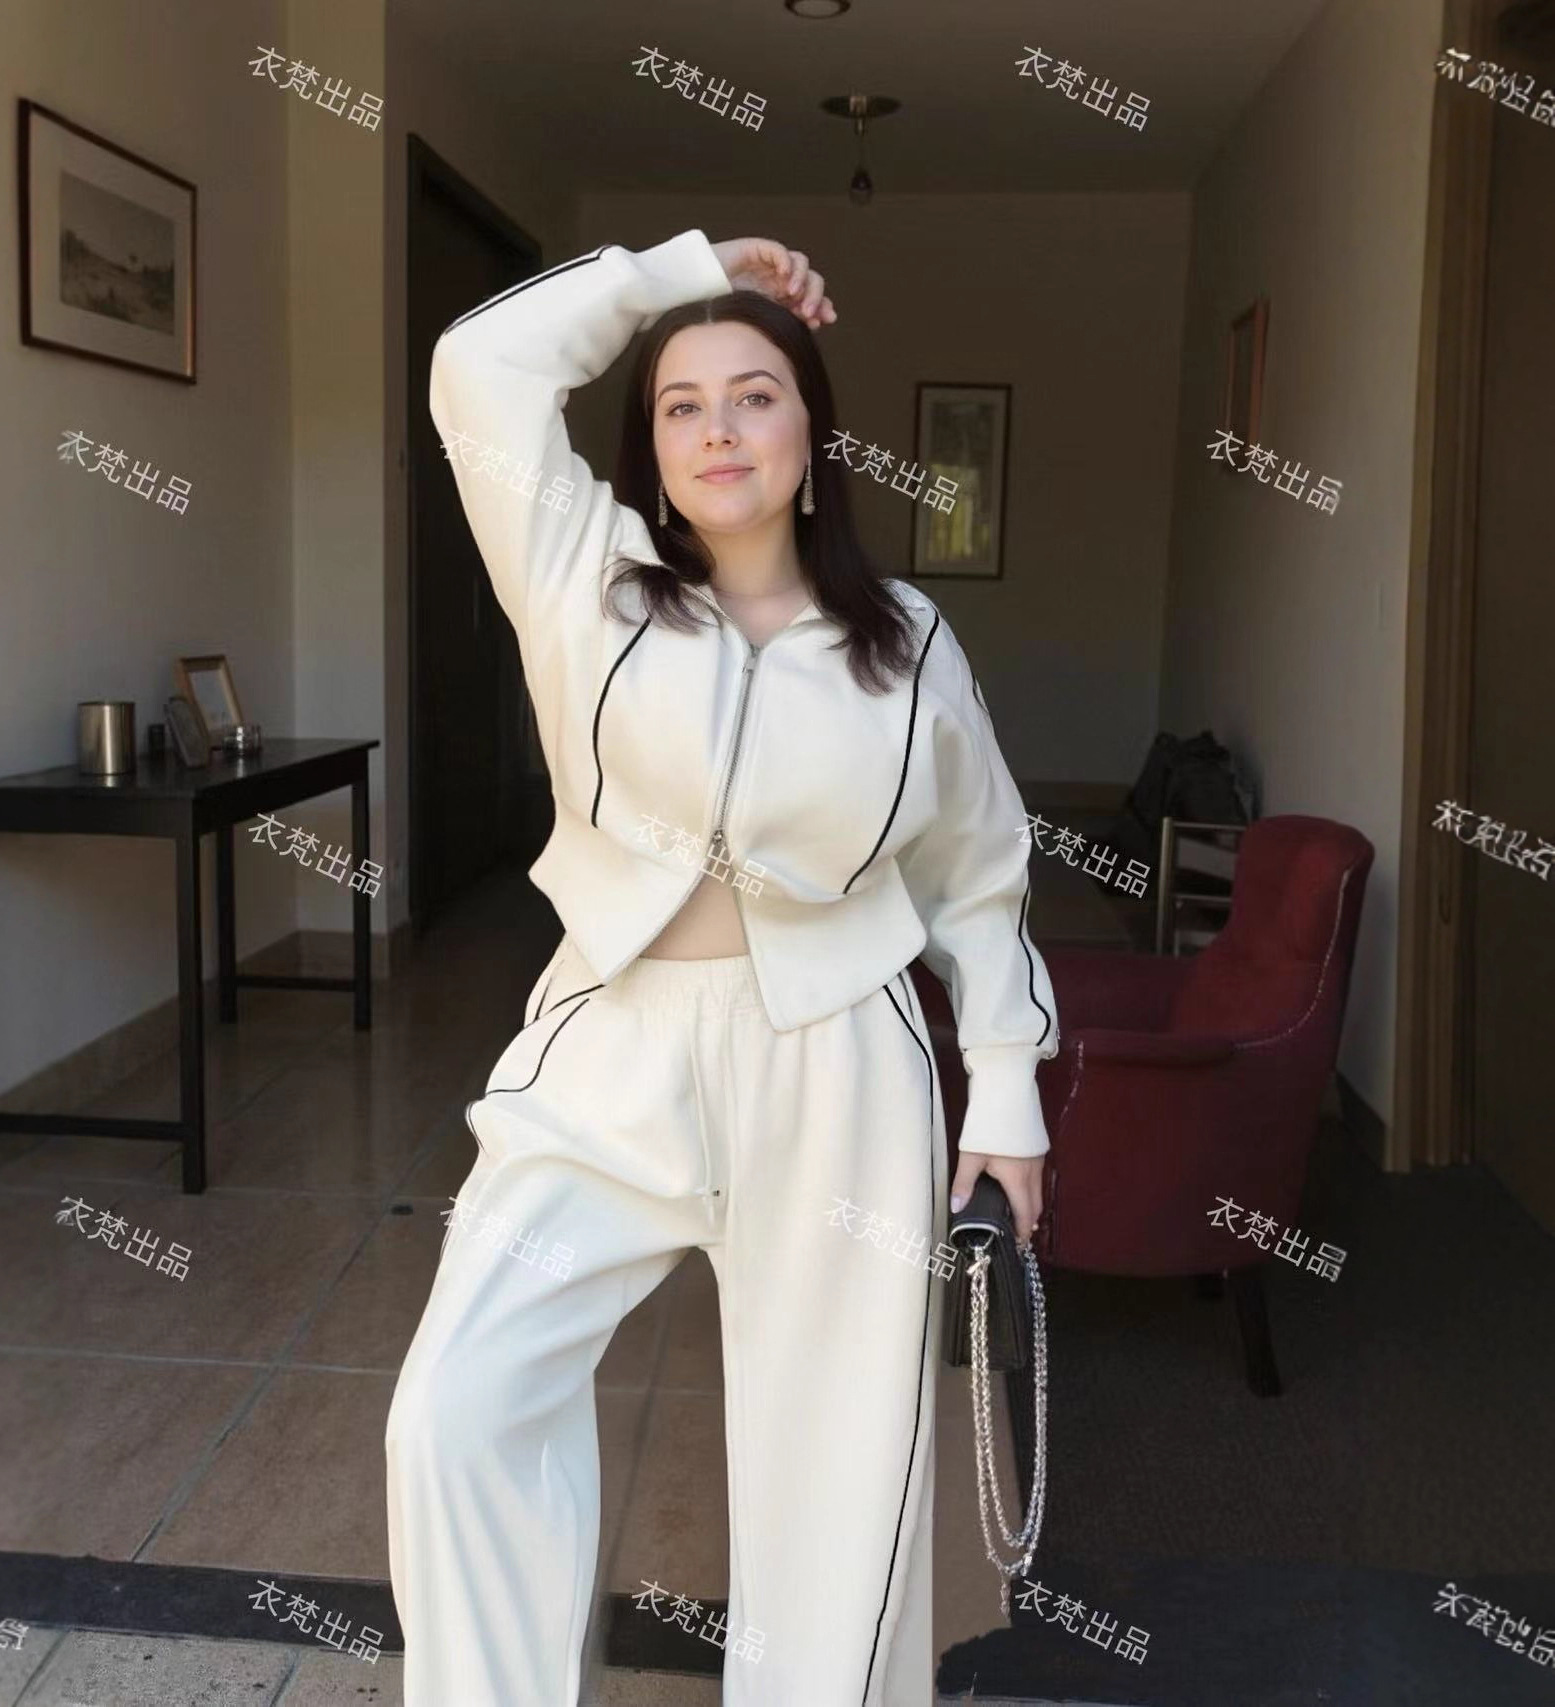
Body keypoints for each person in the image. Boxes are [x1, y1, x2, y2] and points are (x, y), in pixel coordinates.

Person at [385, 231, 1059, 1707]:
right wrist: (670, 272)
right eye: (681, 404)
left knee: (839, 1484)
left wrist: (1006, 1093)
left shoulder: (908, 644)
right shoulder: (582, 577)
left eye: (756, 395)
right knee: (456, 1410)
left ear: (812, 435)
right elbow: (476, 367)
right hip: (609, 1049)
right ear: (651, 448)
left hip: (837, 1063)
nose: (718, 429)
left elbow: (980, 871)